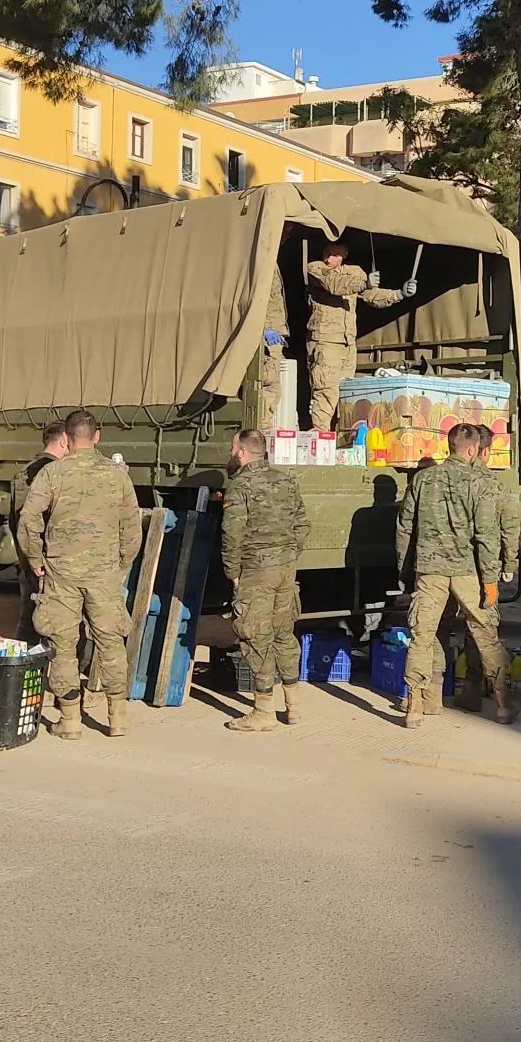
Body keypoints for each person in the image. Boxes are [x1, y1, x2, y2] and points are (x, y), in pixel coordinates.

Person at [17, 409, 144, 740]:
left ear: (66, 439)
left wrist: (35, 559)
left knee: (61, 643)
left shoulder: (53, 474)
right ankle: (117, 718)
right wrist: (122, 564)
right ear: (97, 436)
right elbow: (132, 526)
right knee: (110, 641)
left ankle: (70, 720)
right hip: (103, 572)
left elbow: (28, 520)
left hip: (62, 572)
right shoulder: (117, 476)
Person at [395, 424, 512, 727]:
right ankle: (502, 705)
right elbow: (487, 535)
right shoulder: (480, 483)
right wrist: (490, 580)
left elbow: (405, 528)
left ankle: (418, 706)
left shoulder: (422, 479)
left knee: (423, 636)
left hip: (430, 570)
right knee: (486, 635)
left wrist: (405, 570)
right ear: (473, 450)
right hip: (467, 572)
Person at [220, 428, 311, 732]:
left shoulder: (240, 486)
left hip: (256, 571)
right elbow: (302, 522)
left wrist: (232, 572)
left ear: (242, 453)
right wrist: (289, 553)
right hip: (285, 569)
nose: (232, 454)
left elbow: (231, 535)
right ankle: (295, 706)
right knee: (284, 633)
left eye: (234, 449)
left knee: (255, 636)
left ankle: (263, 711)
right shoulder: (285, 480)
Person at [304, 240, 412, 431]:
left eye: (334, 254)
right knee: (326, 392)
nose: (328, 258)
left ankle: (340, 437)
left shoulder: (355, 272)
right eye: (326, 253)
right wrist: (364, 284)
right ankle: (320, 438)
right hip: (325, 340)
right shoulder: (315, 268)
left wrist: (399, 294)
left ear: (344, 253)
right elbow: (334, 284)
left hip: (347, 342)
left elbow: (372, 296)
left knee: (345, 393)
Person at [453, 422, 521, 714]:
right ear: (486, 450)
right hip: (482, 569)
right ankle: (495, 697)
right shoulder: (493, 483)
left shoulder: (450, 478)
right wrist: (509, 565)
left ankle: (453, 691)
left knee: (440, 629)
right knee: (482, 631)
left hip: (446, 565)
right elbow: (509, 528)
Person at [10, 421, 71, 637]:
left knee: (30, 611)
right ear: (64, 440)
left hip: (29, 557)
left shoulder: (23, 472)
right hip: (45, 560)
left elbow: (16, 521)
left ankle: (25, 663)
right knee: (43, 620)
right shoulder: (51, 473)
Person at [259, 255, 289, 425]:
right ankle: (260, 434)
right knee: (267, 386)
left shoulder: (271, 262)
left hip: (273, 338)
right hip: (263, 340)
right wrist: (262, 330)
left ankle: (264, 431)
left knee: (274, 389)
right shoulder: (259, 260)